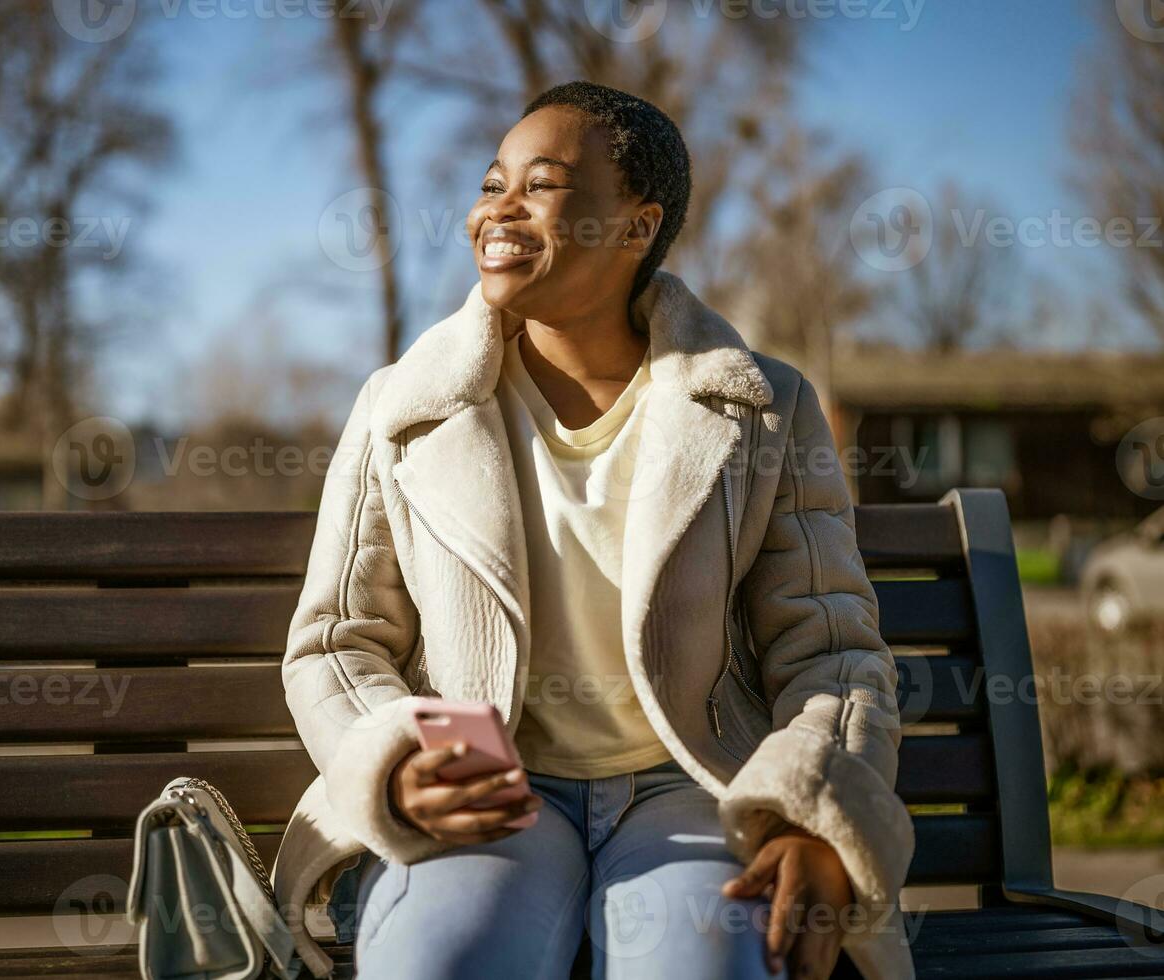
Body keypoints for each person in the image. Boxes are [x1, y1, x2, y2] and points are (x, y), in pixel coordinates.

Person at [271, 79, 913, 980]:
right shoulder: (401, 407)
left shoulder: (763, 407)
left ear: (636, 227)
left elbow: (833, 651)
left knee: (716, 963)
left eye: (542, 184)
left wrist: (814, 814)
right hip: (491, 796)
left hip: (688, 794)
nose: (500, 209)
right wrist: (398, 763)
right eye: (494, 183)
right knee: (439, 962)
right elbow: (335, 643)